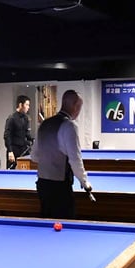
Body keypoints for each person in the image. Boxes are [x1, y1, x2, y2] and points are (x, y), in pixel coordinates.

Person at [30, 89, 91, 219]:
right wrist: (84, 182)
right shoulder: (69, 126)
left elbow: (34, 156)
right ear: (75, 106)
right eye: (79, 107)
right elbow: (75, 160)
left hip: (42, 184)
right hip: (60, 187)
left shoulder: (44, 124)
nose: (79, 111)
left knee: (46, 222)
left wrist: (49, 158)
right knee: (66, 223)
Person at [3, 95, 34, 168]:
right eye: (27, 105)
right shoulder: (11, 118)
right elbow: (7, 136)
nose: (28, 107)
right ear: (20, 105)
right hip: (14, 150)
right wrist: (10, 151)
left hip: (23, 149)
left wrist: (33, 139)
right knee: (12, 170)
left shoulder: (26, 118)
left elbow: (27, 134)